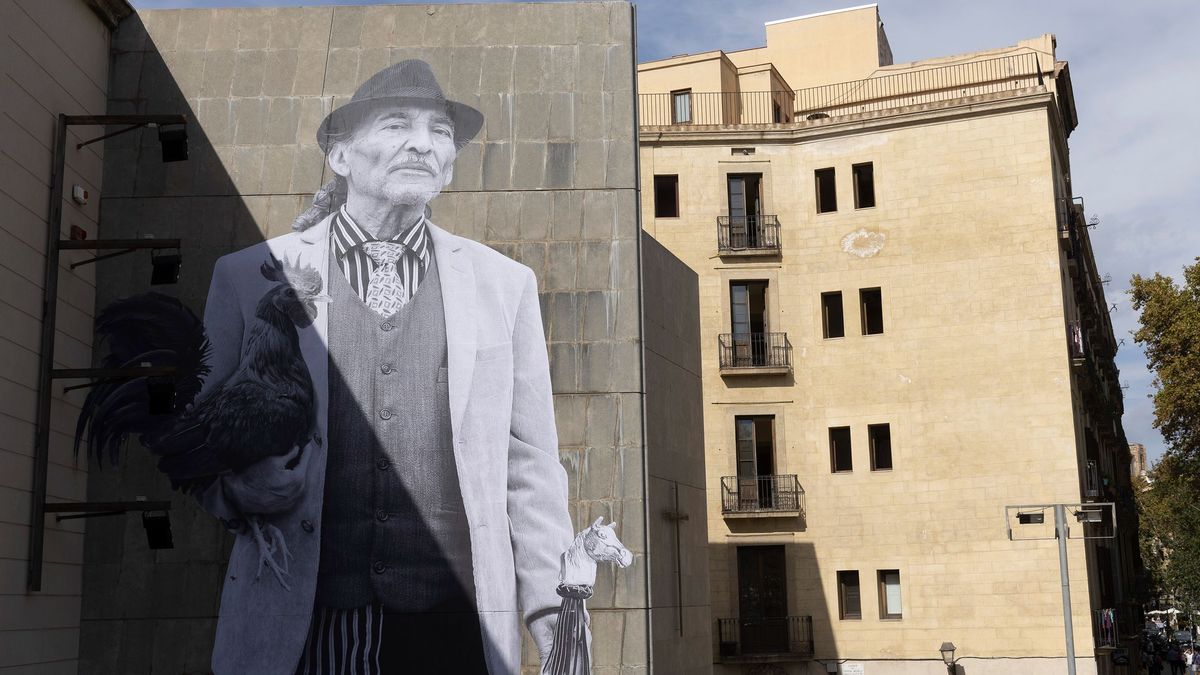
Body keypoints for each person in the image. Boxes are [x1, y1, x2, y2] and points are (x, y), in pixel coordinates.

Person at [197, 59, 575, 674]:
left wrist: (553, 616)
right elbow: (199, 434)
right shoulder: (246, 275)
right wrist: (237, 488)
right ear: (340, 154)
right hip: (306, 627)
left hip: (459, 625)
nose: (423, 144)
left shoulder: (505, 285)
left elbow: (530, 466)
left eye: (440, 131)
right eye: (397, 124)